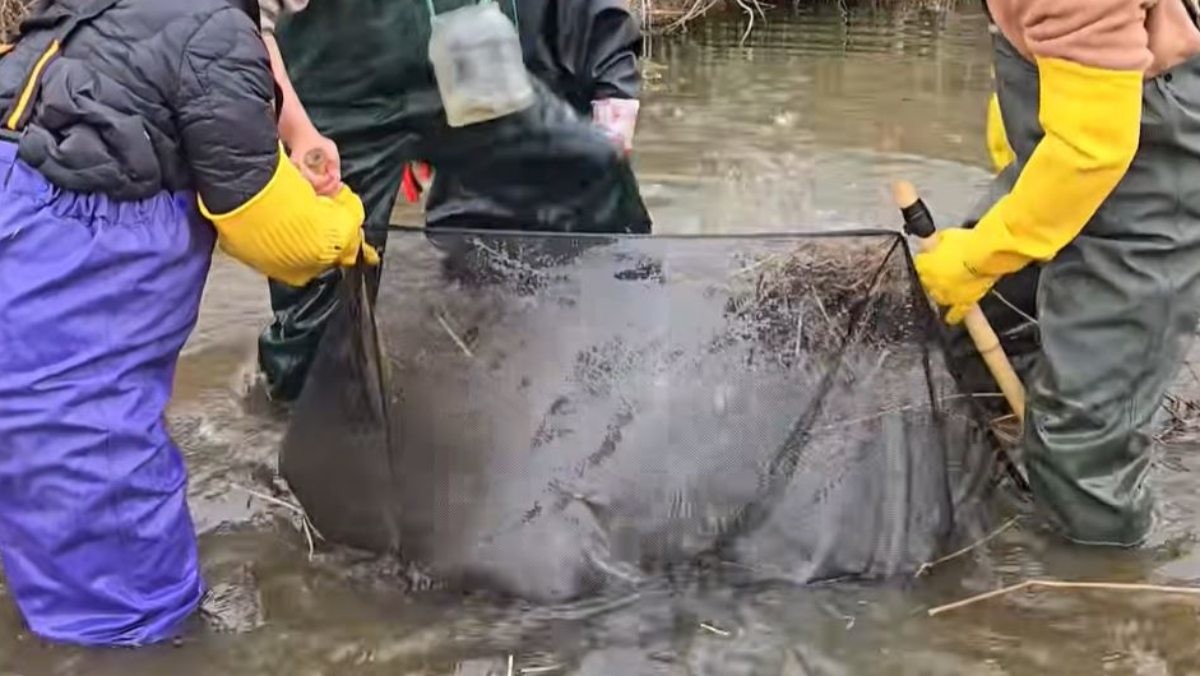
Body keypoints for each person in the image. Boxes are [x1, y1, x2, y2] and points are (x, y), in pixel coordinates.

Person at [0, 0, 372, 646]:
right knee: (127, 613)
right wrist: (342, 224)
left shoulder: (87, 14)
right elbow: (277, 237)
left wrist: (299, 136)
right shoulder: (214, 33)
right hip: (69, 324)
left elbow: (232, 54)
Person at [255, 0, 652, 403]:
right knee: (319, 320)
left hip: (471, 60)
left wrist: (610, 68)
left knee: (596, 175)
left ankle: (633, 369)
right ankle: (284, 432)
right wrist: (296, 127)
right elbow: (245, 21)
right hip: (337, 87)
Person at [916, 0, 1200, 546]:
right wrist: (1016, 117)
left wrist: (979, 256)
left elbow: (1092, 150)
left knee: (1081, 455)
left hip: (1147, 185)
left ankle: (1107, 597)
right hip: (1076, 137)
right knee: (964, 344)